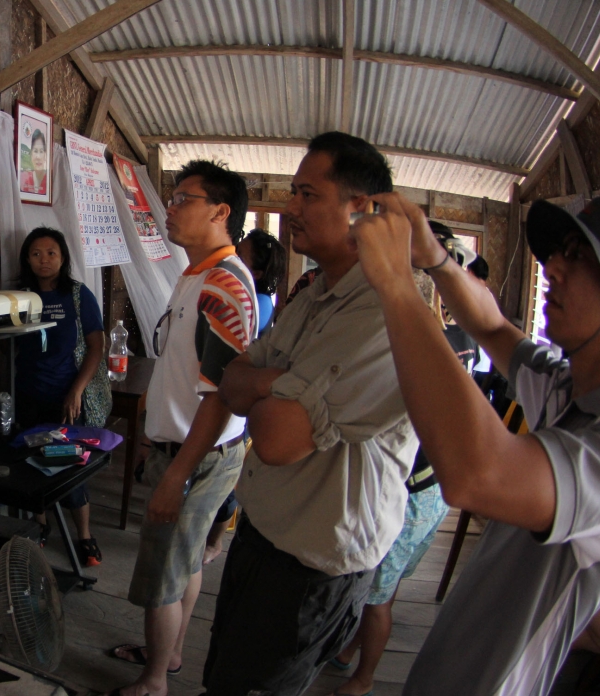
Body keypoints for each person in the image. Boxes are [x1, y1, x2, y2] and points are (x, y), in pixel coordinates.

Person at [350, 188, 600, 695]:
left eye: (580, 258)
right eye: (559, 251)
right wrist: (434, 258)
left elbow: (478, 475)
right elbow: (491, 326)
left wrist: (397, 285)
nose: (553, 267)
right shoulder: (571, 390)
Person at [209, 132, 417, 696]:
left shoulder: (386, 308)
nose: (291, 207)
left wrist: (267, 387)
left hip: (309, 570)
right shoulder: (314, 295)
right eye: (293, 193)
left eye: (307, 194)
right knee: (225, 678)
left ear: (362, 207)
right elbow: (232, 382)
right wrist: (279, 384)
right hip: (263, 536)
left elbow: (277, 438)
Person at [108, 160, 258, 696]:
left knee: (161, 575)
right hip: (185, 447)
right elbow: (180, 370)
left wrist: (176, 474)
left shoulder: (224, 284)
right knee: (185, 560)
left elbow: (221, 397)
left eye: (182, 199)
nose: (168, 209)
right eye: (170, 199)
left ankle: (153, 682)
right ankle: (167, 655)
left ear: (220, 212)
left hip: (196, 455)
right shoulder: (197, 274)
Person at [327, 233, 483, 696]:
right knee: (384, 584)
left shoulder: (417, 344)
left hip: (412, 487)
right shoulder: (461, 338)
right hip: (435, 485)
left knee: (377, 596)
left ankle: (364, 678)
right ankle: (349, 649)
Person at [14, 227, 108, 565]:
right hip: (27, 396)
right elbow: (5, 344)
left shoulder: (78, 295)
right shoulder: (19, 296)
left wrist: (76, 391)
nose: (44, 259)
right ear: (27, 259)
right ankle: (40, 527)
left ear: (63, 257)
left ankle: (84, 535)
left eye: (51, 253)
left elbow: (97, 346)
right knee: (33, 464)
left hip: (66, 398)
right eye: (36, 253)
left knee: (69, 467)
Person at [197, 228, 288, 567]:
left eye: (242, 254)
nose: (234, 255)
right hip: (233, 394)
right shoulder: (253, 294)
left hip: (238, 402)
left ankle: (215, 540)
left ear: (259, 272)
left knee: (227, 475)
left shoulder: (257, 302)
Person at [21, 129, 49, 196]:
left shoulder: (50, 181)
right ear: (31, 154)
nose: (38, 157)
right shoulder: (23, 177)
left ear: (45, 155)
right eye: (35, 151)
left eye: (41, 151)